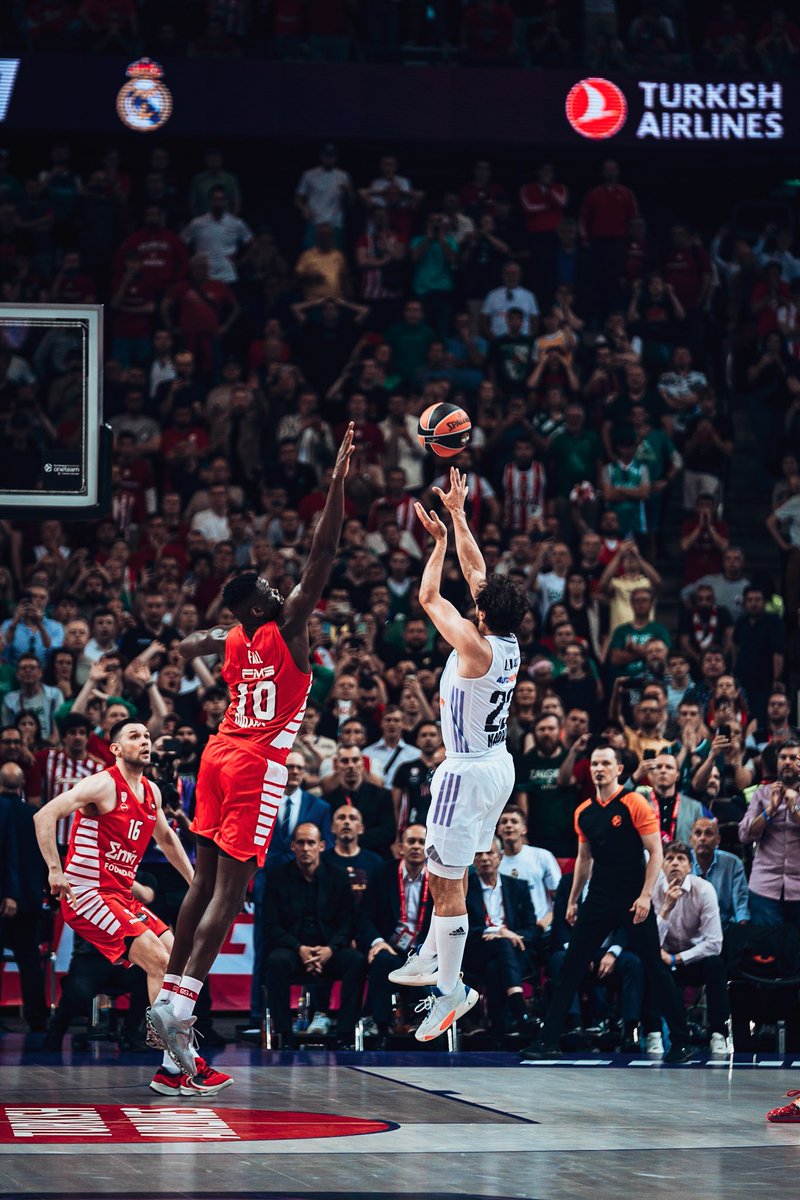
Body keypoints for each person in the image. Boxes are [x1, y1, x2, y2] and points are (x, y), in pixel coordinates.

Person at [145, 425, 355, 1075]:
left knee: (202, 885)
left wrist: (189, 643)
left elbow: (202, 639)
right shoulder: (285, 625)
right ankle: (178, 1010)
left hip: (215, 754)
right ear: (262, 603)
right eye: (267, 587)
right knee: (229, 898)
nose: (278, 587)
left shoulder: (236, 641)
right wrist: (338, 484)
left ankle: (170, 1020)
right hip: (255, 765)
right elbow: (323, 554)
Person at [387, 467, 527, 1043]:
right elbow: (477, 575)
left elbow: (427, 596)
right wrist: (460, 514)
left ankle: (451, 991)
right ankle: (430, 955)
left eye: (477, 603)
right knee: (456, 872)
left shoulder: (472, 647)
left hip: (465, 770)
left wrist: (439, 541)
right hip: (498, 764)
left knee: (445, 882)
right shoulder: (508, 638)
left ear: (482, 615)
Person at [31, 719, 226, 1094]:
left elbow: (168, 840)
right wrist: (55, 869)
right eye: (134, 736)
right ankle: (186, 1062)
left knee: (180, 957)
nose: (145, 741)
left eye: (147, 736)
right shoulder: (102, 783)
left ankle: (170, 1071)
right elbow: (44, 815)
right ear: (116, 749)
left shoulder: (151, 791)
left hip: (120, 895)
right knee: (159, 961)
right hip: (87, 894)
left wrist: (197, 887)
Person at [520, 744, 693, 1062]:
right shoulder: (584, 811)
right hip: (598, 896)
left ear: (619, 770)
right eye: (595, 764)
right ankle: (548, 1041)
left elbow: (655, 852)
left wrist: (645, 895)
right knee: (570, 965)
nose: (599, 768)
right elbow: (584, 860)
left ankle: (681, 1042)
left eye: (605, 764)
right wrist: (572, 900)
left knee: (654, 966)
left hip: (632, 897)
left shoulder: (634, 802)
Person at [262, 822, 364, 1049]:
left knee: (355, 961)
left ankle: (345, 1035)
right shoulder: (277, 877)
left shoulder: (338, 876)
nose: (305, 848)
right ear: (292, 846)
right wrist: (300, 949)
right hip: (293, 952)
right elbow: (271, 926)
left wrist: (330, 949)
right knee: (275, 961)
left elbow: (348, 923)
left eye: (311, 843)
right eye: (300, 842)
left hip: (329, 952)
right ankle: (284, 1036)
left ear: (321, 846)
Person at [652, 840, 729, 1059]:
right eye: (669, 859)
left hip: (694, 958)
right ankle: (658, 1034)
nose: (675, 863)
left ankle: (718, 1034)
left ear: (689, 866)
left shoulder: (704, 890)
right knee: (648, 964)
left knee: (716, 964)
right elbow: (650, 943)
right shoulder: (653, 891)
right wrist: (666, 909)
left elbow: (715, 943)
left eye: (681, 859)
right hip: (664, 957)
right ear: (661, 865)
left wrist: (677, 958)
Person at [359, 824, 433, 1047]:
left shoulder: (439, 879)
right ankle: (382, 1028)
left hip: (424, 949)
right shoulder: (382, 873)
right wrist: (378, 942)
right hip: (390, 947)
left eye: (421, 842)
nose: (416, 846)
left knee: (425, 965)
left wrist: (428, 949)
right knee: (382, 962)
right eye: (411, 841)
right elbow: (364, 916)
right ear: (401, 847)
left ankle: (423, 1024)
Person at [464, 841, 538, 1040]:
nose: (485, 858)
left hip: (514, 952)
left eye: (490, 853)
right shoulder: (466, 888)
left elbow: (531, 928)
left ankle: (497, 1025)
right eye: (479, 855)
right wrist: (499, 931)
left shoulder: (518, 886)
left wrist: (512, 938)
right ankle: (518, 1007)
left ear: (500, 857)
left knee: (495, 965)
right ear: (473, 860)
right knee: (500, 945)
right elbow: (463, 928)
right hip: (477, 950)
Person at [738, 741, 800, 927]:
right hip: (765, 888)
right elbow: (745, 834)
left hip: (798, 888)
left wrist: (794, 809)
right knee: (767, 952)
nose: (787, 762)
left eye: (793, 758)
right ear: (777, 762)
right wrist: (770, 810)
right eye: (783, 758)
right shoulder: (761, 794)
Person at [496, 805, 561, 934]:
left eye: (514, 821)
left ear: (524, 829)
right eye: (504, 822)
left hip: (543, 929)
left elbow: (560, 898)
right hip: (510, 933)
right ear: (498, 830)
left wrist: (545, 922)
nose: (508, 825)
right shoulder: (494, 863)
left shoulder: (542, 856)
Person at [690, 816, 750, 929]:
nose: (702, 838)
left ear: (718, 840)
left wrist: (741, 938)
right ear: (690, 839)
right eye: (698, 833)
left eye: (708, 833)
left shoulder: (733, 864)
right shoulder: (682, 863)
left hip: (724, 930)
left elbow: (741, 907)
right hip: (689, 932)